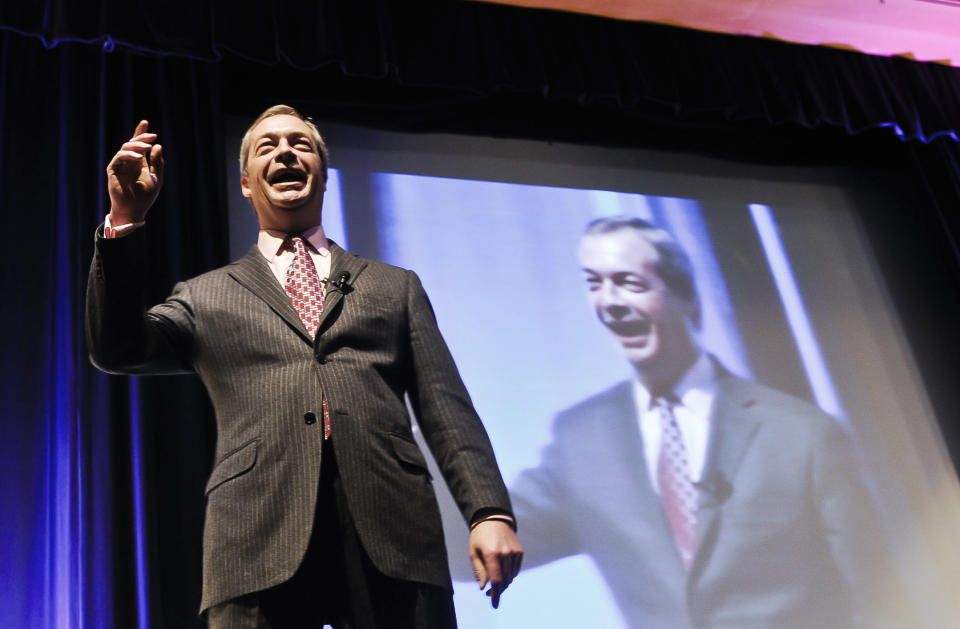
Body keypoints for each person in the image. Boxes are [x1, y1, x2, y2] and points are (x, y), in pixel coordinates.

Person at [86, 105, 523, 629]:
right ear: (246, 184)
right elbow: (117, 349)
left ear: (322, 173)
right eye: (267, 147)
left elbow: (444, 407)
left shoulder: (393, 285)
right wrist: (125, 221)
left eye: (302, 143)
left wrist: (488, 512)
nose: (286, 151)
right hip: (255, 537)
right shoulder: (205, 295)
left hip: (392, 528)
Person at [509, 216, 902, 628]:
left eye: (629, 282)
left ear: (687, 297)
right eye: (594, 283)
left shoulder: (803, 435)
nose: (609, 302)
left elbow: (878, 595)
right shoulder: (581, 440)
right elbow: (472, 547)